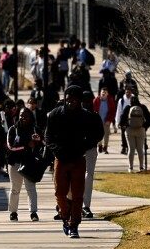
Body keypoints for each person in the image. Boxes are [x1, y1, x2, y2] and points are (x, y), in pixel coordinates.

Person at [45, 85, 104, 239]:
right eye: (68, 100)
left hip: (78, 159)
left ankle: (74, 225)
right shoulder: (55, 114)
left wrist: (85, 145)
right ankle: (64, 215)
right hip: (61, 159)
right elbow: (48, 136)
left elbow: (98, 133)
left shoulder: (86, 116)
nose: (71, 103)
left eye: (74, 100)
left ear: (79, 101)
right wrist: (56, 150)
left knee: (77, 194)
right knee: (60, 193)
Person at [6, 107, 43, 222]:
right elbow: (10, 146)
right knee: (15, 189)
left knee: (31, 188)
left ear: (31, 117)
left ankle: (33, 213)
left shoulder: (35, 129)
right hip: (15, 163)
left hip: (30, 162)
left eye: (26, 116)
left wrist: (38, 141)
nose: (23, 118)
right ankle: (13, 212)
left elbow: (44, 144)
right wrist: (26, 145)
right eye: (21, 116)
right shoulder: (13, 129)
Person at [81, 89, 102, 219]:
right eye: (83, 101)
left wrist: (90, 140)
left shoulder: (95, 116)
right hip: (77, 150)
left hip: (90, 150)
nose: (86, 103)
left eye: (88, 101)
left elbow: (100, 133)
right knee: (75, 177)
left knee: (88, 176)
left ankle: (86, 205)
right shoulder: (75, 116)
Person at [122, 94, 150, 173]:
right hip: (140, 130)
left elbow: (122, 119)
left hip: (129, 130)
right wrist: (144, 127)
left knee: (131, 149)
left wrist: (125, 126)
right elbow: (149, 118)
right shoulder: (143, 107)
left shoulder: (128, 108)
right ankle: (141, 167)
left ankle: (130, 167)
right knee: (140, 149)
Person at [93, 87, 116, 154]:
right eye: (102, 92)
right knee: (98, 134)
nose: (103, 93)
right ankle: (100, 145)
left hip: (106, 121)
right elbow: (92, 110)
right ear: (100, 93)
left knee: (106, 135)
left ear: (107, 94)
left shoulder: (110, 101)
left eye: (105, 92)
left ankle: (105, 147)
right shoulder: (96, 101)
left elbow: (113, 111)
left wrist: (109, 120)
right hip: (98, 121)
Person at [115, 85, 135, 155]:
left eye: (129, 92)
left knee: (131, 134)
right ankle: (124, 147)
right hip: (124, 119)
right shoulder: (121, 100)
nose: (128, 94)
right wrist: (117, 122)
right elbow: (119, 111)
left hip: (132, 119)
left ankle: (130, 147)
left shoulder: (134, 99)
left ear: (131, 92)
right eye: (126, 92)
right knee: (123, 134)